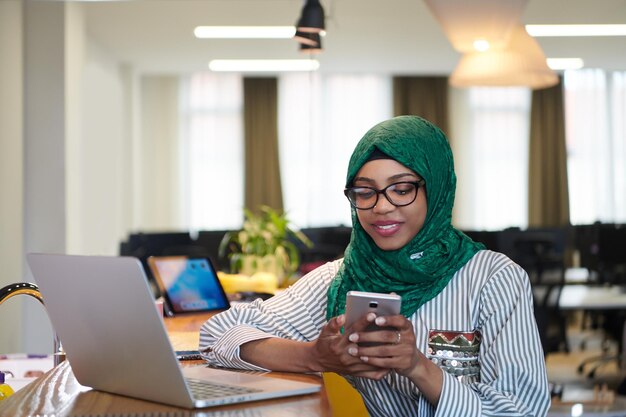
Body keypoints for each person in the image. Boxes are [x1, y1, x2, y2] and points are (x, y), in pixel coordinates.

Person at [199, 115, 550, 416]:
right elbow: (217, 334)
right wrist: (316, 356)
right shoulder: (341, 280)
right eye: (365, 191)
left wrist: (418, 367)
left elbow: (524, 410)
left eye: (401, 189)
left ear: (437, 190)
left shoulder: (492, 279)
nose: (380, 207)